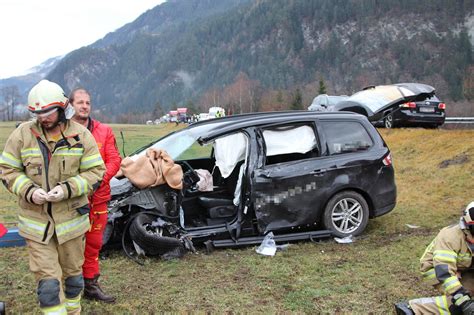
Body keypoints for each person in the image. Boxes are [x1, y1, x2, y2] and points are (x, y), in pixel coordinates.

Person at [0, 80, 105, 314]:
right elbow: (7, 170)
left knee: (73, 281)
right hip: (37, 227)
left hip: (72, 225)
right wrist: (29, 190)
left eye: (48, 112)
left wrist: (67, 189)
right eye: (38, 113)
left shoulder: (81, 136)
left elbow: (96, 172)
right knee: (48, 287)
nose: (43, 118)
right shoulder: (21, 135)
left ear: (62, 108)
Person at [69, 88, 121, 303]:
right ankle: (69, 288)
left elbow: (114, 160)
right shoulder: (61, 131)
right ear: (71, 104)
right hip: (70, 200)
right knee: (69, 245)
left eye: (88, 103)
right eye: (80, 102)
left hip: (98, 197)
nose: (84, 106)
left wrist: (97, 181)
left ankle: (91, 286)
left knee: (93, 243)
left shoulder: (104, 131)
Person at [395, 201, 474, 315]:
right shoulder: (450, 236)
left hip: (463, 268)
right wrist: (464, 301)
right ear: (467, 225)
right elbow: (444, 272)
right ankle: (414, 308)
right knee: (460, 302)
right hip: (436, 270)